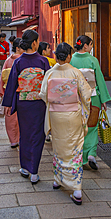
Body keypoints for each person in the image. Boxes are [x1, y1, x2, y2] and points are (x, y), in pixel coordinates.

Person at [40, 42, 92, 205]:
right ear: (69, 56)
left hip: (56, 115)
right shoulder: (75, 73)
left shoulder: (50, 73)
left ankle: (58, 179)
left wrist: (57, 100)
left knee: (59, 147)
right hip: (73, 115)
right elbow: (86, 95)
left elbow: (43, 94)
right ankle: (76, 189)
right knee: (74, 149)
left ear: (56, 55)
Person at [2, 30, 50, 184]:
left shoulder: (18, 62)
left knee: (25, 134)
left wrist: (8, 103)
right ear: (35, 43)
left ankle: (24, 167)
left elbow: (11, 84)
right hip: (39, 103)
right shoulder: (43, 61)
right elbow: (49, 84)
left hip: (23, 103)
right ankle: (34, 171)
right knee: (38, 135)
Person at [70, 35, 111, 170]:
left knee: (79, 128)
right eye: (91, 45)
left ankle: (80, 157)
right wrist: (103, 99)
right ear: (86, 46)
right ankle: (91, 153)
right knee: (92, 127)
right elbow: (99, 79)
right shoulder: (93, 60)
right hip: (93, 97)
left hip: (77, 98)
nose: (92, 47)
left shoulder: (71, 60)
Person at [0, 38, 23, 148]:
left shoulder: (8, 60)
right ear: (18, 48)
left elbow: (3, 78)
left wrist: (2, 92)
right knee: (21, 118)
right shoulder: (23, 60)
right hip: (22, 90)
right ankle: (20, 139)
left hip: (9, 91)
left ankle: (13, 140)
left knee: (11, 117)